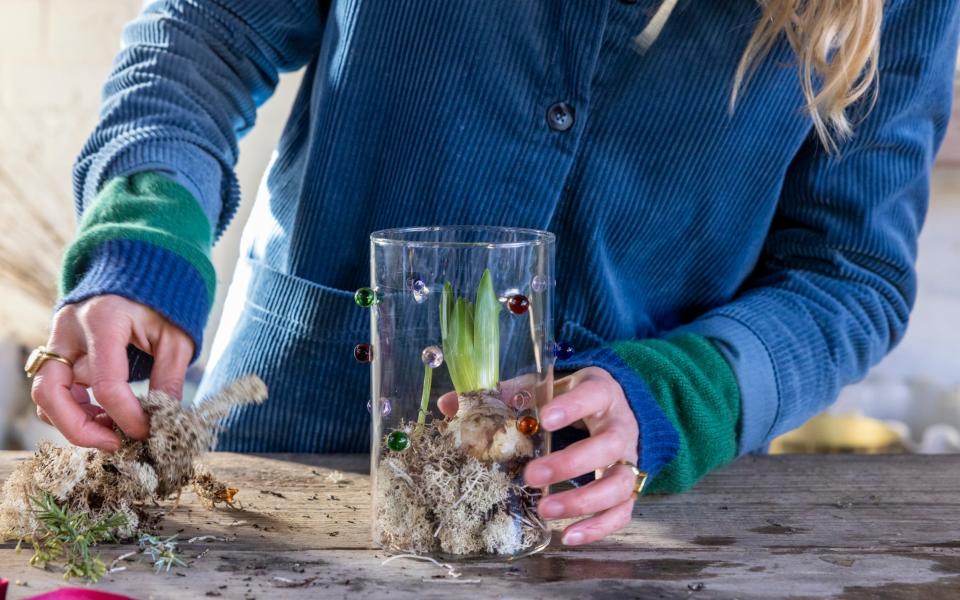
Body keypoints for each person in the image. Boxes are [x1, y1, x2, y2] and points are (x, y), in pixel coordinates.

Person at [26, 1, 959, 547]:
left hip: (608, 528)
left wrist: (686, 393)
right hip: (284, 458)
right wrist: (145, 233)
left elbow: (850, 272)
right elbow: (209, 27)